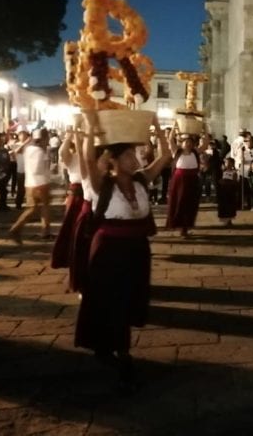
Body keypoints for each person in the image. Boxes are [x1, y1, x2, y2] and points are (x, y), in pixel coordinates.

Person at [75, 115, 171, 391]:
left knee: (128, 299)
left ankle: (116, 346)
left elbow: (165, 156)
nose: (136, 159)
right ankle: (119, 350)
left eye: (135, 154)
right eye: (129, 156)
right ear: (114, 161)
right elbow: (89, 162)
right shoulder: (101, 186)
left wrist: (157, 129)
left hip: (137, 250)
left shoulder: (142, 181)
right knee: (108, 299)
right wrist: (91, 132)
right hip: (108, 251)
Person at [51, 128, 92, 290]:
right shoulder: (72, 157)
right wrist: (70, 136)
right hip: (76, 195)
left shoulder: (93, 157)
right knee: (73, 230)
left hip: (91, 195)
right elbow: (62, 152)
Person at [9, 129, 52, 243]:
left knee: (35, 207)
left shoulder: (28, 150)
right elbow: (40, 168)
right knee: (39, 207)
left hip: (29, 183)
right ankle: (16, 228)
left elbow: (17, 152)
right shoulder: (41, 152)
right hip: (41, 183)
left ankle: (45, 230)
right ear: (43, 139)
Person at [166, 131, 201, 237]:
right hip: (179, 181)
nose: (188, 144)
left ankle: (186, 227)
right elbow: (170, 139)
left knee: (190, 203)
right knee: (179, 202)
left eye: (190, 142)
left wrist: (205, 129)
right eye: (186, 142)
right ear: (181, 143)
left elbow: (205, 143)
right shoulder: (176, 152)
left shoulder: (195, 152)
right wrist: (174, 126)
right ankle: (179, 226)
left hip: (192, 180)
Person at [217, 157, 239, 226]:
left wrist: (227, 182)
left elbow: (235, 182)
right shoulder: (222, 172)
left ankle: (229, 220)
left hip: (230, 192)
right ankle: (224, 220)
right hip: (223, 192)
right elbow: (219, 180)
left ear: (232, 164)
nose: (228, 164)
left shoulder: (234, 172)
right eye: (226, 163)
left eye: (230, 163)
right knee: (224, 206)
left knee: (230, 206)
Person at [11, 131, 29, 210]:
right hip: (20, 170)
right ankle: (18, 203)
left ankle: (29, 204)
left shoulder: (30, 145)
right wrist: (25, 143)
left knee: (29, 189)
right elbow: (17, 151)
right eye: (21, 135)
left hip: (29, 170)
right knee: (20, 188)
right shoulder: (16, 145)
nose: (23, 137)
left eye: (25, 135)